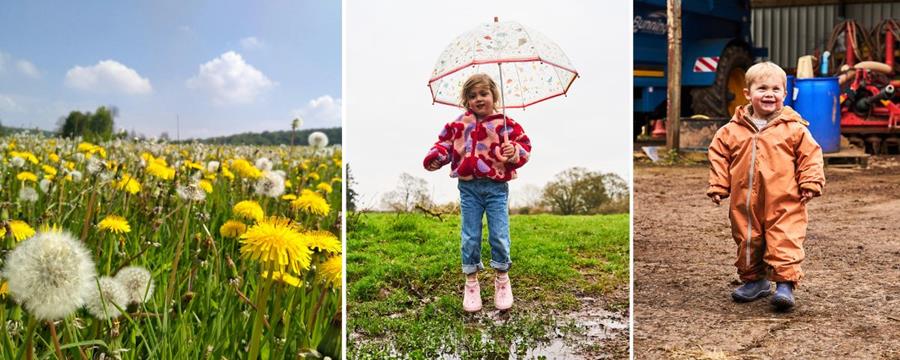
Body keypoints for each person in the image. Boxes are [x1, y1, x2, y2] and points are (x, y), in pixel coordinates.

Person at [707, 61, 825, 310]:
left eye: (775, 89)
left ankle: (784, 284)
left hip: (785, 199)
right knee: (748, 239)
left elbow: (811, 156)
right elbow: (718, 155)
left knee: (784, 238)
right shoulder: (731, 130)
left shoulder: (794, 129)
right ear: (748, 94)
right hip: (745, 202)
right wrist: (719, 184)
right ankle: (755, 280)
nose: (769, 94)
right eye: (762, 89)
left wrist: (811, 181)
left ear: (785, 93)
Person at [423, 73, 531, 312]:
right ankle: (471, 282)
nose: (479, 99)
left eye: (484, 94)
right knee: (470, 236)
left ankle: (502, 278)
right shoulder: (458, 125)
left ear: (494, 95)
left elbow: (525, 148)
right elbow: (445, 145)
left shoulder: (506, 125)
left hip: (496, 188)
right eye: (472, 96)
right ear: (466, 101)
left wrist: (512, 151)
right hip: (469, 188)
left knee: (499, 234)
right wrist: (437, 157)